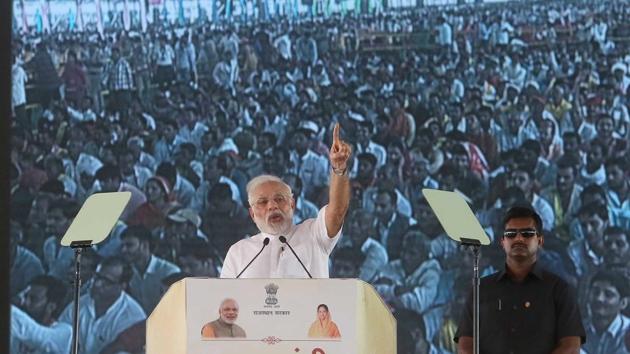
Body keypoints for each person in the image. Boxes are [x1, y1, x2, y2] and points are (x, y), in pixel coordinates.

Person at [220, 123, 351, 278]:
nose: (272, 206)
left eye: (279, 199)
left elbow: (337, 213)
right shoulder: (239, 252)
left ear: (292, 204)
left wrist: (339, 169)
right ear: (252, 214)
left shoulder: (314, 236)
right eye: (262, 202)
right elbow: (226, 300)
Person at [455, 205, 585, 354]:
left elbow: (571, 346)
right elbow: (465, 345)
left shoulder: (560, 289)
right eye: (511, 234)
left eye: (527, 234)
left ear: (540, 241)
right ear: (503, 242)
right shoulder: (482, 289)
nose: (519, 240)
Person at [10, 275, 72, 354]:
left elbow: (37, 335)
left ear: (51, 306)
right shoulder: (16, 328)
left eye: (33, 299)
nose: (26, 302)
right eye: (26, 297)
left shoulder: (64, 332)